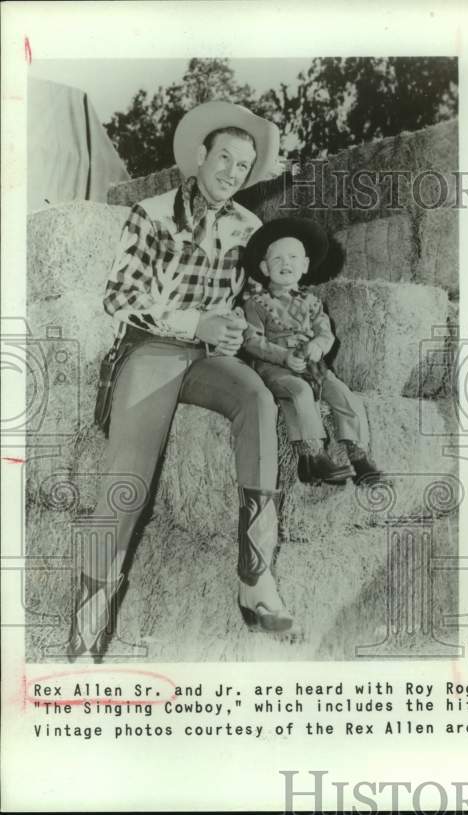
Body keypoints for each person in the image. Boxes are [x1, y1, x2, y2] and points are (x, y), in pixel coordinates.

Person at [72, 100, 291, 660]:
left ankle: (256, 575)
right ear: (200, 156)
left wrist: (236, 327)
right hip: (152, 347)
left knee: (259, 401)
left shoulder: (250, 227)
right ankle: (86, 627)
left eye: (243, 167)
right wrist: (196, 321)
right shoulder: (151, 213)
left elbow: (244, 301)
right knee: (130, 473)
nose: (232, 173)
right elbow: (119, 297)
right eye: (224, 158)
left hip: (207, 357)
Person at [240, 217, 381, 484]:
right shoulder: (256, 303)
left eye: (293, 257)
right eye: (278, 259)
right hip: (275, 368)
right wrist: (283, 356)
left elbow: (325, 332)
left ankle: (358, 454)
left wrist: (318, 345)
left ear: (304, 265)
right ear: (264, 267)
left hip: (313, 366)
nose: (286, 263)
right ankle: (314, 455)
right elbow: (251, 341)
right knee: (300, 391)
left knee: (344, 395)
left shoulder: (313, 302)